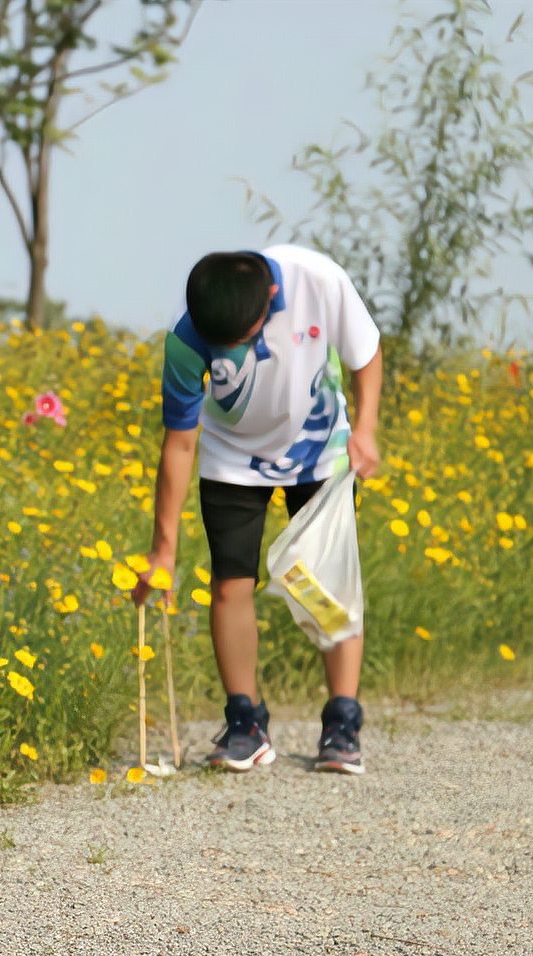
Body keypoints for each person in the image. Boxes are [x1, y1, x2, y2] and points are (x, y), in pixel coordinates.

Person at [132, 246, 382, 775]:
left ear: (270, 298)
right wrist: (163, 550)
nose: (226, 352)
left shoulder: (319, 279)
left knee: (329, 582)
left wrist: (365, 430)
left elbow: (365, 354)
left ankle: (342, 721)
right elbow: (178, 445)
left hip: (322, 448)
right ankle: (245, 721)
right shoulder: (187, 339)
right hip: (232, 459)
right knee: (230, 584)